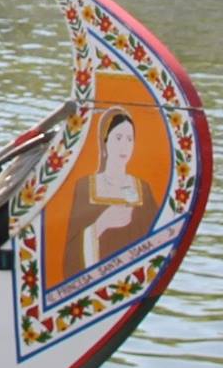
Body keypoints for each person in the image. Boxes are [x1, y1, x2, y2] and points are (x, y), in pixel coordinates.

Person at [59, 108, 159, 278]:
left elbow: (158, 238)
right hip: (96, 284)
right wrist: (101, 224)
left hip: (131, 280)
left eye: (129, 139)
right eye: (118, 138)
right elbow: (70, 253)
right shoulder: (85, 187)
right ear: (104, 142)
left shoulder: (143, 189)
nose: (124, 146)